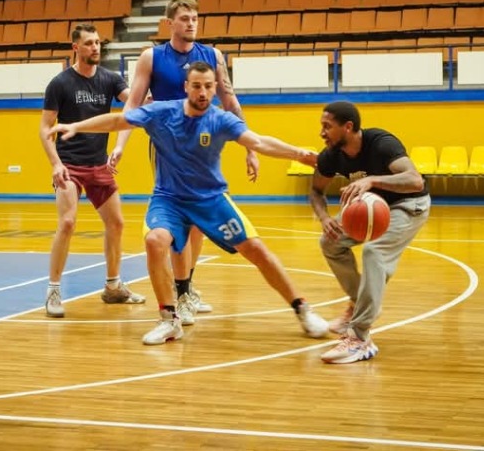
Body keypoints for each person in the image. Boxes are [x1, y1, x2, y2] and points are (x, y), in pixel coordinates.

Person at [48, 61, 329, 346]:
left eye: (208, 86)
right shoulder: (162, 113)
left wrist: (298, 154)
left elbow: (258, 142)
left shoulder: (221, 120)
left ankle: (302, 308)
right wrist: (76, 125)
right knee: (155, 241)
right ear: (186, 87)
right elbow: (118, 121)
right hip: (168, 199)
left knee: (256, 250)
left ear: (215, 88)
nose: (202, 92)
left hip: (210, 199)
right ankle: (169, 320)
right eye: (196, 86)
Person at [113, 0, 259, 323]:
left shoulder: (212, 55)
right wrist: (120, 145)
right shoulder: (152, 57)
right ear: (170, 23)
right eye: (184, 18)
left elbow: (230, 100)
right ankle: (181, 294)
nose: (191, 23)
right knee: (180, 217)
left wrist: (249, 147)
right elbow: (132, 105)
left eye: (194, 18)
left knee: (199, 222)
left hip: (205, 145)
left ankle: (186, 288)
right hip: (168, 147)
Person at [307, 101, 430, 364]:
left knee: (374, 252)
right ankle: (359, 305)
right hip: (370, 208)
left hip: (409, 205)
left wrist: (372, 180)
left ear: (348, 127)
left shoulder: (381, 143)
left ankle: (359, 338)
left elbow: (415, 180)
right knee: (329, 242)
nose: (322, 133)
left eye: (327, 126)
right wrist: (325, 217)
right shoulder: (331, 155)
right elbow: (316, 190)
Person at [39, 23, 145, 317]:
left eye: (97, 42)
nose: (95, 47)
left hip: (99, 164)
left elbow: (133, 104)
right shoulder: (60, 83)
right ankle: (53, 291)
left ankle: (113, 287)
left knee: (117, 223)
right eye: (88, 43)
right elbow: (45, 129)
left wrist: (153, 96)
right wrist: (56, 164)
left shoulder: (110, 79)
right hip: (69, 165)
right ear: (75, 47)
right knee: (67, 223)